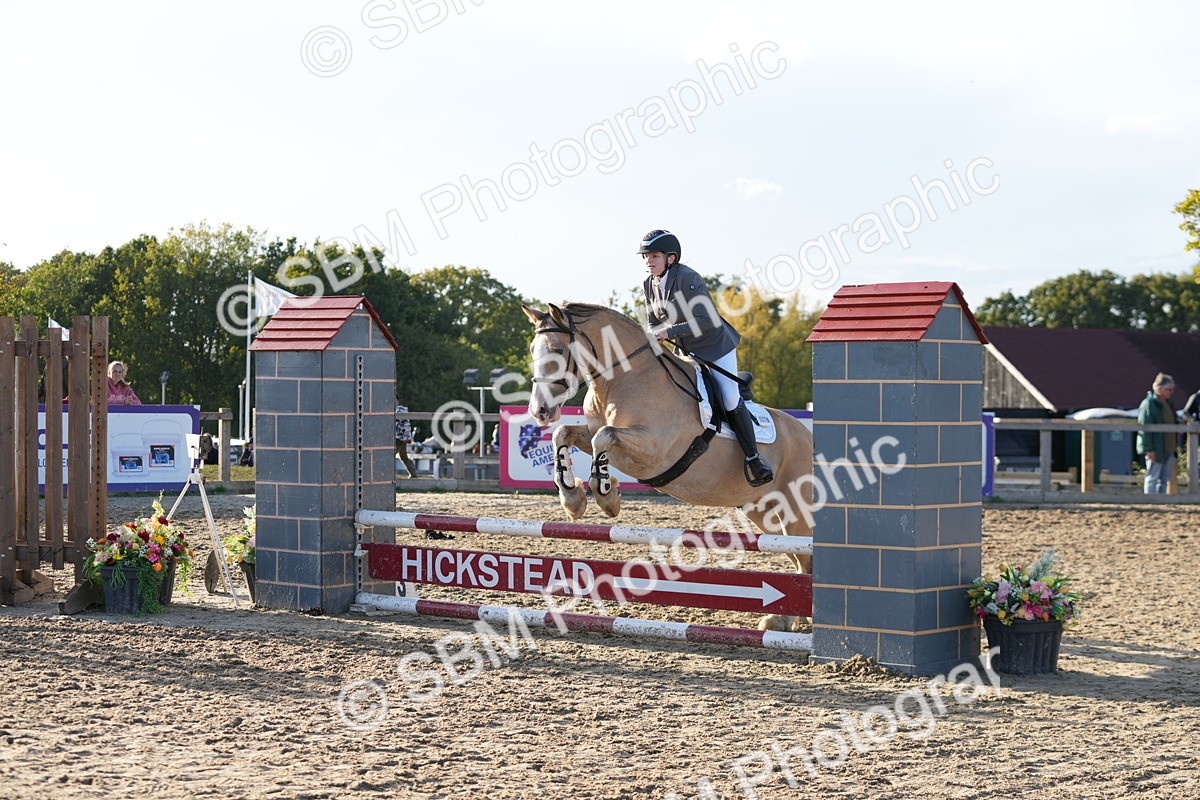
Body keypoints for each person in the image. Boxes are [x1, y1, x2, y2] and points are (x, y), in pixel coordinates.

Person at [638, 229, 772, 486]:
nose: (648, 261)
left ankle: (754, 458)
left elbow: (707, 320)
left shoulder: (688, 278)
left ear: (671, 258)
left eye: (654, 256)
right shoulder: (649, 284)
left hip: (715, 347)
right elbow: (653, 323)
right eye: (645, 256)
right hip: (686, 350)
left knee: (730, 397)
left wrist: (668, 332)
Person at [1136, 372, 1177, 494]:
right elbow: (1144, 428)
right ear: (1159, 388)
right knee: (1152, 477)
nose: (1171, 392)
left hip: (1168, 446)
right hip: (1156, 446)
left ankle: (1162, 502)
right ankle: (1150, 500)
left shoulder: (1168, 404)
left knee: (1165, 479)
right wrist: (1149, 449)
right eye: (1169, 389)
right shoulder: (1149, 404)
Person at [395, 404, 418, 477]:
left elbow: (405, 425)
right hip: (401, 438)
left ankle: (386, 476)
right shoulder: (399, 409)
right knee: (404, 457)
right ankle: (413, 475)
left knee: (389, 457)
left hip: (399, 438)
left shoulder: (399, 410)